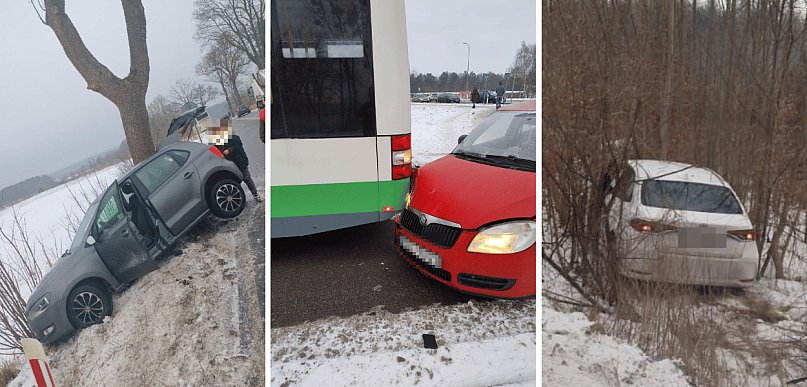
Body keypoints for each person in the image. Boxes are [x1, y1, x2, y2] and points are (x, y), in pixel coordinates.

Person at [210, 117, 262, 203]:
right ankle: (237, 198)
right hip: (230, 166)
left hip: (240, 163)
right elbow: (215, 150)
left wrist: (229, 150)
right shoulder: (218, 142)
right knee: (234, 182)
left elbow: (237, 146)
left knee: (247, 179)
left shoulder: (235, 138)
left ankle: (255, 194)